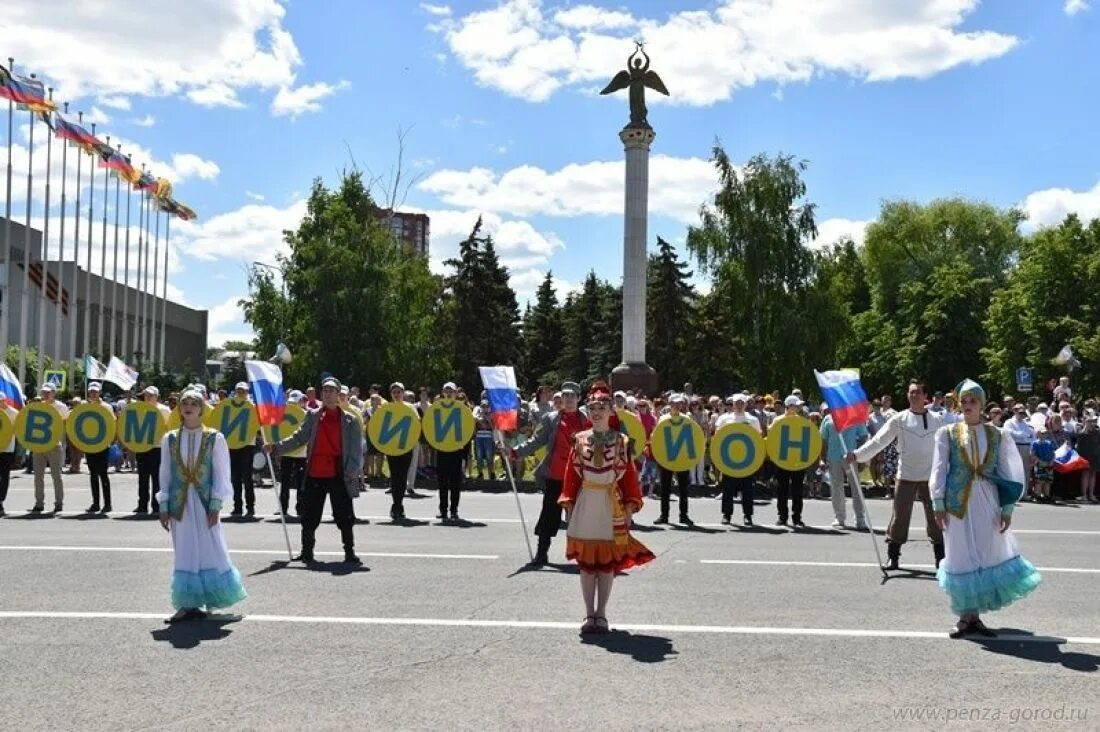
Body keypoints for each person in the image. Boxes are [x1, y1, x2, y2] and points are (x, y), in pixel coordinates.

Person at [931, 379, 1041, 638]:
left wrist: (1007, 509)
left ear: (981, 404)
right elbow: (938, 469)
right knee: (960, 555)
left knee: (984, 552)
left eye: (973, 401)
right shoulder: (946, 433)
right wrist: (938, 502)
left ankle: (975, 616)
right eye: (965, 401)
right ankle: (964, 616)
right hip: (957, 503)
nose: (968, 406)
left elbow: (1008, 471)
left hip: (987, 501)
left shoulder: (998, 434)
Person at [557, 382, 654, 634]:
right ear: (587, 411)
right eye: (592, 407)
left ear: (611, 411)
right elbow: (571, 477)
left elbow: (630, 477)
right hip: (586, 503)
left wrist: (630, 507)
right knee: (587, 565)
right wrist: (568, 504)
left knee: (607, 566)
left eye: (602, 407)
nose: (597, 412)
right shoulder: (579, 440)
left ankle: (602, 614)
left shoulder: (621, 441)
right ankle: (589, 614)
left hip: (611, 505)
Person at [156, 388, 247, 623]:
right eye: (184, 402)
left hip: (205, 501)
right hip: (181, 502)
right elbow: (165, 473)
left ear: (202, 408)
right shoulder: (170, 439)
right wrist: (163, 504)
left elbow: (221, 472)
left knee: (210, 547)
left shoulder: (214, 438)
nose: (188, 406)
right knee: (184, 550)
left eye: (194, 403)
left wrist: (216, 502)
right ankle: (187, 604)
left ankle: (209, 598)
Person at [267, 377, 364, 564]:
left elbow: (355, 451)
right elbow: (299, 438)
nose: (328, 394)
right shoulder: (312, 416)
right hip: (315, 471)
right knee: (309, 514)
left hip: (339, 472)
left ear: (339, 395)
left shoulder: (351, 420)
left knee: (344, 515)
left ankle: (349, 552)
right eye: (325, 390)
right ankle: (306, 552)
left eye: (331, 390)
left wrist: (351, 471)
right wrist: (276, 447)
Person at [848, 380, 944, 570]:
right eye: (911, 392)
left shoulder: (938, 420)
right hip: (906, 474)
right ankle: (893, 556)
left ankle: (941, 559)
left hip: (931, 476)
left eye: (917, 392)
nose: (914, 395)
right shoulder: (899, 420)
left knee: (936, 518)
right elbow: (878, 442)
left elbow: (948, 447)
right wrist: (858, 455)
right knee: (900, 517)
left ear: (926, 397)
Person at [515, 381, 591, 566]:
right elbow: (537, 440)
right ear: (561, 399)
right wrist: (515, 451)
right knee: (549, 516)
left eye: (573, 395)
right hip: (555, 476)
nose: (569, 399)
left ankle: (584, 555)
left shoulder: (588, 419)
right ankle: (542, 554)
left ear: (579, 398)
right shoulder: (551, 418)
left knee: (581, 518)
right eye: (565, 396)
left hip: (580, 477)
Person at [819, 405, 869, 530]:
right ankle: (839, 517)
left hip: (851, 457)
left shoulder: (854, 417)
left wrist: (861, 456)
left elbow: (863, 436)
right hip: (833, 456)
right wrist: (821, 458)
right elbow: (823, 439)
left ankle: (860, 518)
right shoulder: (828, 418)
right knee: (836, 487)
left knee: (856, 487)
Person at [714, 393, 760, 526]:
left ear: (746, 404)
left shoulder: (753, 420)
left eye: (742, 403)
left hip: (747, 459)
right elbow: (718, 436)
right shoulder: (724, 419)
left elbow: (757, 439)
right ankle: (726, 515)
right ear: (732, 404)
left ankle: (748, 515)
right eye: (736, 403)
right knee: (728, 488)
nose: (739, 405)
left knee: (747, 489)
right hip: (728, 459)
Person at [654, 393, 694, 526]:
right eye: (674, 403)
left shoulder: (687, 418)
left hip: (683, 458)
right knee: (665, 488)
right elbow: (658, 437)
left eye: (679, 403)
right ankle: (664, 516)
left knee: (684, 489)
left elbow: (693, 438)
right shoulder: (663, 418)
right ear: (670, 405)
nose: (677, 406)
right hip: (666, 458)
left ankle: (684, 515)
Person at [31, 383, 69, 513]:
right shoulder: (37, 406)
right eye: (44, 392)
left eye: (48, 392)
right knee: (38, 476)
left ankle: (59, 503)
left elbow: (66, 425)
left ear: (54, 393)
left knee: (56, 476)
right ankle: (39, 503)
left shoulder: (61, 407)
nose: (45, 394)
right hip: (38, 445)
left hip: (54, 445)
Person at [133, 386, 171, 514]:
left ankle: (156, 506)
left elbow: (169, 428)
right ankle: (142, 505)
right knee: (142, 478)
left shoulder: (164, 410)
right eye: (146, 395)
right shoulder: (138, 408)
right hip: (142, 447)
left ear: (157, 396)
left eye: (151, 395)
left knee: (157, 479)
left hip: (157, 448)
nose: (148, 397)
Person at [435, 381, 469, 522]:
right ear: (443, 393)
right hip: (442, 449)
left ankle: (454, 509)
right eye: (446, 391)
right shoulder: (436, 408)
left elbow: (468, 429)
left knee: (455, 482)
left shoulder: (463, 408)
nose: (448, 393)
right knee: (442, 482)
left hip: (457, 450)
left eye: (451, 391)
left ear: (456, 393)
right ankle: (443, 510)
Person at [773, 396, 809, 528]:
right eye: (796, 405)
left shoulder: (802, 421)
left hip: (797, 461)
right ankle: (782, 516)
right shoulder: (777, 420)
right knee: (782, 489)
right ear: (789, 406)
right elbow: (772, 439)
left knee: (797, 490)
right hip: (782, 460)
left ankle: (797, 517)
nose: (799, 408)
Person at [383, 382, 416, 521]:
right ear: (391, 394)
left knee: (402, 477)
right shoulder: (386, 408)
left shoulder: (410, 408)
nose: (397, 394)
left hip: (406, 447)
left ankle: (398, 504)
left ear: (403, 393)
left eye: (399, 392)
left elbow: (416, 425)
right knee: (395, 476)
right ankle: (397, 505)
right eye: (394, 392)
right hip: (391, 447)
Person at [225, 382, 257, 518]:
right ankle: (237, 506)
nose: (240, 393)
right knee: (235, 478)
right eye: (238, 390)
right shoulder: (229, 406)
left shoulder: (253, 407)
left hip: (247, 446)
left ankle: (250, 507)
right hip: (232, 446)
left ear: (247, 392)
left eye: (243, 391)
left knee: (247, 478)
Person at [277, 390, 308, 517]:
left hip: (293, 452)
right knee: (297, 483)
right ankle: (296, 509)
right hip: (295, 452)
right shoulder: (305, 414)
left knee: (286, 482)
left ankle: (286, 508)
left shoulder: (306, 414)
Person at [1003, 404, 1036, 499]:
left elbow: (1031, 436)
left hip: (1026, 448)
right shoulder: (1009, 422)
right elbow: (1009, 433)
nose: (1022, 415)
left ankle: (1024, 493)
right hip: (1015, 447)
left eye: (1023, 413)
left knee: (1026, 471)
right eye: (1019, 412)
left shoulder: (1026, 424)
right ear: (1014, 411)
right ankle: (1013, 493)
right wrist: (1022, 435)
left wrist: (1023, 436)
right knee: (1014, 470)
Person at [1077, 416, 1100, 502]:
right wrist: (1085, 428)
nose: (1091, 423)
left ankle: (1091, 494)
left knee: (1093, 475)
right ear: (1085, 422)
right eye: (1088, 421)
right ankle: (1084, 495)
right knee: (1085, 475)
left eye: (1092, 421)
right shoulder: (1081, 433)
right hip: (1085, 457)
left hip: (1095, 457)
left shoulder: (1098, 432)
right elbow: (1079, 444)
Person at [0, 399, 16, 517]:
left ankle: (1, 500)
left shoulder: (13, 412)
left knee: (4, 475)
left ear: (4, 401)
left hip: (8, 449)